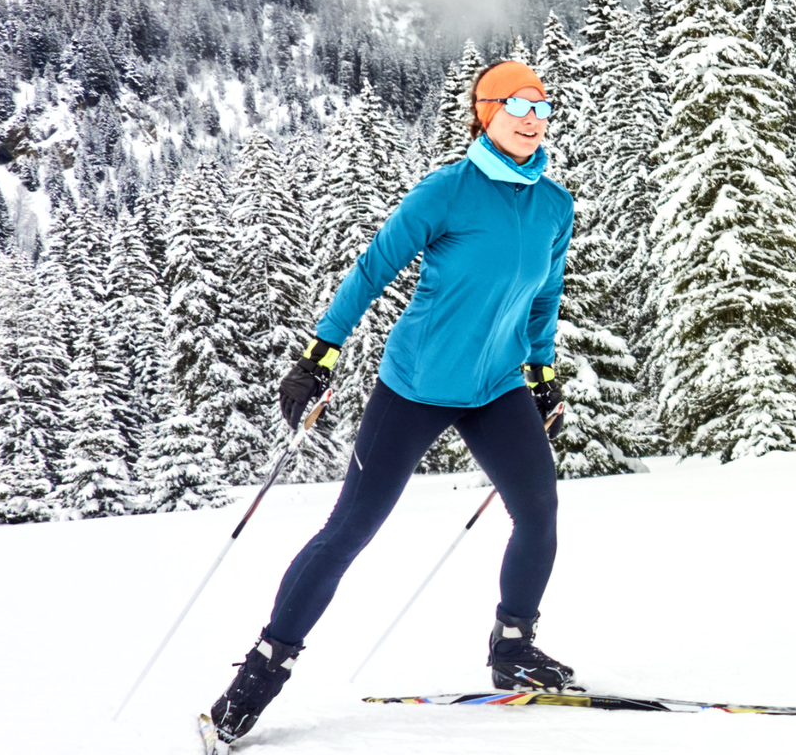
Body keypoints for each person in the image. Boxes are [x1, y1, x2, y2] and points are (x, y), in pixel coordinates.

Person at [205, 60, 578, 749]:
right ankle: (260, 674)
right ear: (484, 112)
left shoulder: (555, 205)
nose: (532, 116)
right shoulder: (448, 192)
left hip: (496, 388)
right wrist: (322, 352)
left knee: (539, 509)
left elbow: (544, 297)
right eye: (516, 103)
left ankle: (514, 643)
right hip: (413, 387)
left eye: (541, 105)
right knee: (350, 531)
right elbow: (373, 268)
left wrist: (542, 369)